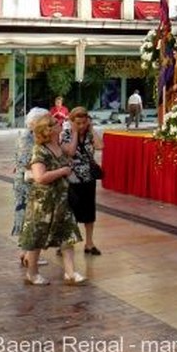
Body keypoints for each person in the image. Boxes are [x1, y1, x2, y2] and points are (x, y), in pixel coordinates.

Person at [17, 113, 84, 286]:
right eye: (56, 123)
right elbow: (39, 177)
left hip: (61, 200)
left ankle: (70, 272)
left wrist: (75, 131)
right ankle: (32, 273)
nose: (60, 124)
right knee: (37, 237)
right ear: (48, 130)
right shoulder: (40, 150)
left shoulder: (58, 145)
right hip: (43, 203)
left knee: (68, 235)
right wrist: (62, 171)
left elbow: (70, 151)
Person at [12, 108, 48, 268]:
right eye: (44, 121)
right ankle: (28, 254)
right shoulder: (28, 137)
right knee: (30, 218)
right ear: (34, 122)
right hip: (27, 183)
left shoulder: (29, 135)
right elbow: (27, 161)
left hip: (26, 181)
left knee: (28, 218)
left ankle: (26, 253)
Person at [66, 107, 103, 256]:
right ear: (72, 122)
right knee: (70, 212)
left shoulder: (89, 134)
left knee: (89, 211)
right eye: (78, 123)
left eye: (84, 122)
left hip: (88, 178)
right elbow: (70, 151)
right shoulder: (66, 134)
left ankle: (89, 243)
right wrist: (74, 132)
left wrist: (92, 128)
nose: (81, 126)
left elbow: (100, 146)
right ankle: (67, 242)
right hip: (72, 179)